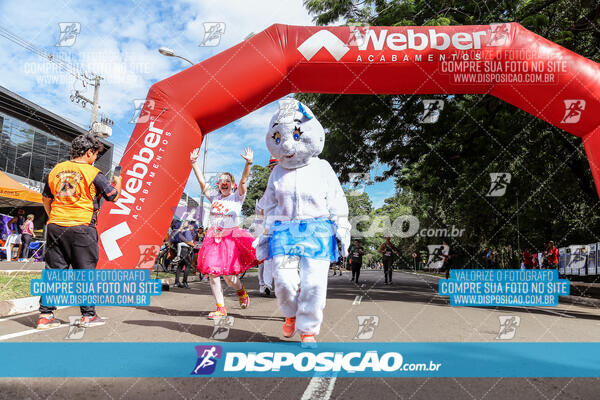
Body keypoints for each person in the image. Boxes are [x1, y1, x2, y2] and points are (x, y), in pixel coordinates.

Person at [255, 99, 350, 347]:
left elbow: (338, 201)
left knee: (314, 284)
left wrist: (341, 230)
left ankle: (307, 329)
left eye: (296, 135)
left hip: (317, 230)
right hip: (284, 231)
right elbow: (270, 205)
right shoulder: (277, 172)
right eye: (278, 137)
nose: (287, 144)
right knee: (284, 281)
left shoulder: (323, 168)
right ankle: (290, 314)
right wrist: (264, 233)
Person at [37, 134, 121, 329]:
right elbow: (113, 196)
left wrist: (54, 217)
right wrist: (119, 182)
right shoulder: (93, 173)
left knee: (54, 272)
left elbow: (45, 199)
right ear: (89, 152)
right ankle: (88, 315)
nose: (95, 159)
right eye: (95, 155)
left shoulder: (55, 170)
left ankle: (45, 315)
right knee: (85, 273)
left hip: (56, 225)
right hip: (82, 227)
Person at [191, 146, 258, 319]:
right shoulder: (214, 197)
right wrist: (194, 163)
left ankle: (241, 290)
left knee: (229, 278)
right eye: (221, 180)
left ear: (232, 185)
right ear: (218, 184)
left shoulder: (237, 196)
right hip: (214, 238)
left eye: (227, 180)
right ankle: (220, 308)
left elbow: (244, 181)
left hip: (231, 239)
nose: (224, 182)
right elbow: (201, 183)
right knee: (213, 273)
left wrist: (248, 163)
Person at [255, 156, 279, 296]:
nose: (272, 169)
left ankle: (275, 284)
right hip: (268, 227)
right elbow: (262, 209)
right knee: (264, 258)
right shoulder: (270, 187)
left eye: (274, 166)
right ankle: (264, 284)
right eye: (271, 167)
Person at [173, 222, 194, 288]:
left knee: (180, 266)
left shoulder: (180, 231)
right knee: (188, 265)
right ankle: (184, 282)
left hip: (179, 249)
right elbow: (188, 241)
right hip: (185, 249)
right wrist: (192, 245)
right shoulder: (187, 231)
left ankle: (176, 282)